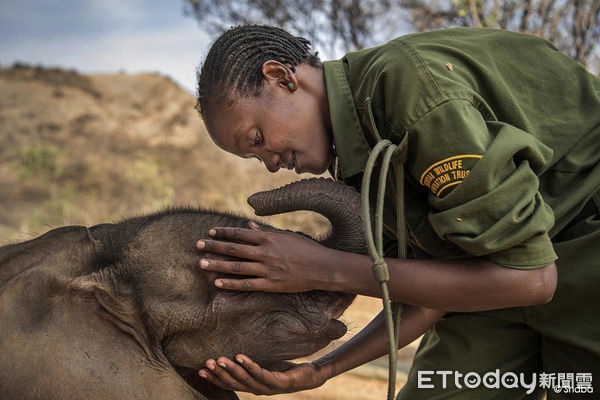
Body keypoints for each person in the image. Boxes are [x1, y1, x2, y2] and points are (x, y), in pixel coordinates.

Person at [193, 25, 600, 398]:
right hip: (497, 276)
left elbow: (531, 278)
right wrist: (321, 370)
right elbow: (432, 287)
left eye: (258, 138)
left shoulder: (410, 91)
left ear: (282, 78)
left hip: (583, 246)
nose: (269, 163)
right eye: (253, 156)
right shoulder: (357, 156)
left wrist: (320, 267)